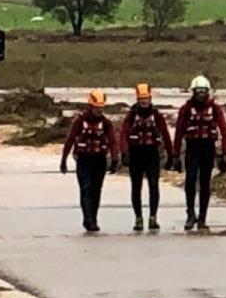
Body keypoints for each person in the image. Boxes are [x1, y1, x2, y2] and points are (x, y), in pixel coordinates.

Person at [172, 75, 226, 231]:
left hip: (208, 148)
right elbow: (178, 132)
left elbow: (224, 131)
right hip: (192, 148)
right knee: (190, 179)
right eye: (197, 91)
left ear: (207, 92)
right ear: (193, 92)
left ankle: (202, 217)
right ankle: (191, 213)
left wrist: (224, 154)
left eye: (203, 91)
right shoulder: (185, 109)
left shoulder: (215, 109)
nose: (200, 94)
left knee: (205, 183)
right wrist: (175, 155)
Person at [61, 90, 120, 233]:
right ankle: (88, 219)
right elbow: (70, 139)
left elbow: (112, 141)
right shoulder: (80, 121)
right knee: (85, 189)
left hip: (99, 160)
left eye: (101, 107)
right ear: (91, 106)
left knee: (96, 191)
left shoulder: (106, 123)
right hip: (83, 160)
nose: (99, 110)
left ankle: (93, 218)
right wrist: (63, 160)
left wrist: (114, 159)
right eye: (97, 107)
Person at [119, 83, 174, 232]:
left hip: (152, 154)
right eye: (141, 98)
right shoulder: (131, 116)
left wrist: (171, 155)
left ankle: (153, 217)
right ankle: (138, 218)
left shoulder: (157, 116)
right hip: (135, 155)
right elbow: (123, 134)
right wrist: (124, 152)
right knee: (136, 188)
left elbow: (166, 135)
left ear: (150, 98)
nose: (144, 101)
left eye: (146, 98)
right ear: (137, 99)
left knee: (154, 186)